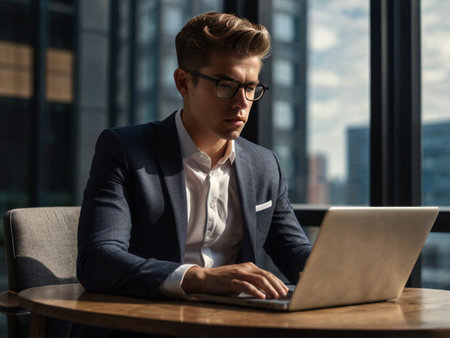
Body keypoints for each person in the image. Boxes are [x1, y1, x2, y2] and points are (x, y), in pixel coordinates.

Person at [77, 11, 312, 312]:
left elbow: (294, 250)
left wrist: (333, 274)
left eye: (251, 87)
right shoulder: (124, 151)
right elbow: (98, 260)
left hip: (235, 327)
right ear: (184, 83)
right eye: (225, 85)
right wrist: (199, 279)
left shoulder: (265, 165)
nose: (242, 102)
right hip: (145, 323)